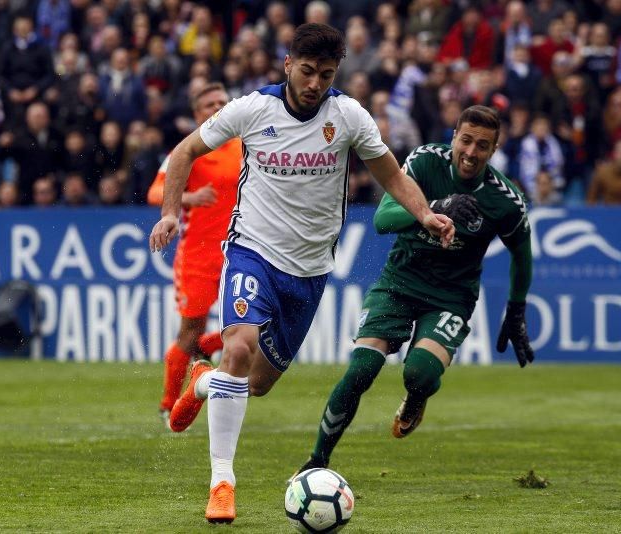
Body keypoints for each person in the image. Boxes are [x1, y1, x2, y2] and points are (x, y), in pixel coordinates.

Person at [148, 23, 452, 525]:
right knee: (239, 347)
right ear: (288, 64)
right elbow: (183, 152)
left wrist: (424, 215)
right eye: (307, 71)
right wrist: (170, 212)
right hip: (251, 251)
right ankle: (222, 483)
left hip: (309, 272)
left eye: (326, 75)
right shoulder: (252, 110)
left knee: (257, 383)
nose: (315, 83)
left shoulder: (348, 116)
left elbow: (392, 174)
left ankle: (204, 382)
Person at [293, 105, 535, 477]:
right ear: (453, 137)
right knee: (362, 368)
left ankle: (416, 399)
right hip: (400, 281)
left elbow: (523, 254)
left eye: (482, 146)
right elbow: (383, 219)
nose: (471, 152)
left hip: (451, 297)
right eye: (466, 141)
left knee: (419, 374)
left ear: (494, 149)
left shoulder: (505, 200)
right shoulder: (424, 162)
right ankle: (317, 461)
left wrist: (516, 311)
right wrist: (435, 206)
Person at [147, 82, 242, 429]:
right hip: (199, 257)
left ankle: (202, 352)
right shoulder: (189, 149)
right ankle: (168, 404)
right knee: (189, 333)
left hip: (240, 252)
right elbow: (155, 191)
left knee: (254, 326)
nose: (217, 107)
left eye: (222, 101)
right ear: (196, 114)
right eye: (209, 105)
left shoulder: (244, 144)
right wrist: (187, 198)